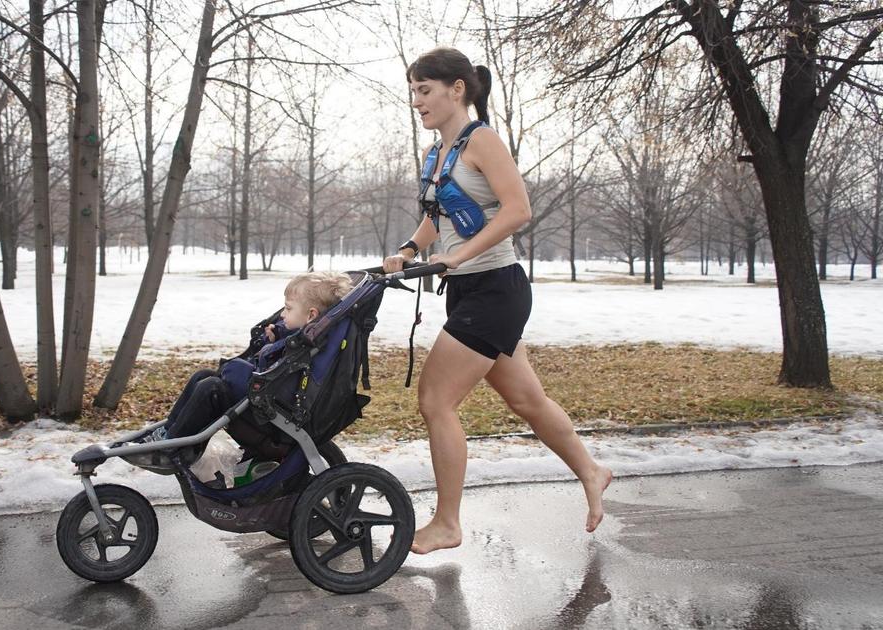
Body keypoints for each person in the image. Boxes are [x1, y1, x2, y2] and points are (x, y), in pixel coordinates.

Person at [383, 47, 612, 555]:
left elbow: (518, 210)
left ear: (456, 89)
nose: (416, 102)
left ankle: (447, 523)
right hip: (469, 289)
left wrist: (458, 256)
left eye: (424, 90)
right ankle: (592, 471)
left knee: (435, 401)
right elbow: (434, 220)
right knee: (526, 400)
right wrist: (408, 250)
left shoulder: (481, 140)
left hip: (496, 290)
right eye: (413, 92)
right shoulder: (437, 154)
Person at [148, 271, 353, 442]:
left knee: (211, 387)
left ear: (311, 316)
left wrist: (234, 367)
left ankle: (174, 443)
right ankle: (169, 431)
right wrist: (273, 339)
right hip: (265, 397)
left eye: (288, 309)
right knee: (202, 376)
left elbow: (278, 370)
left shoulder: (307, 344)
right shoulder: (302, 338)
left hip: (271, 408)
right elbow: (277, 353)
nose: (282, 315)